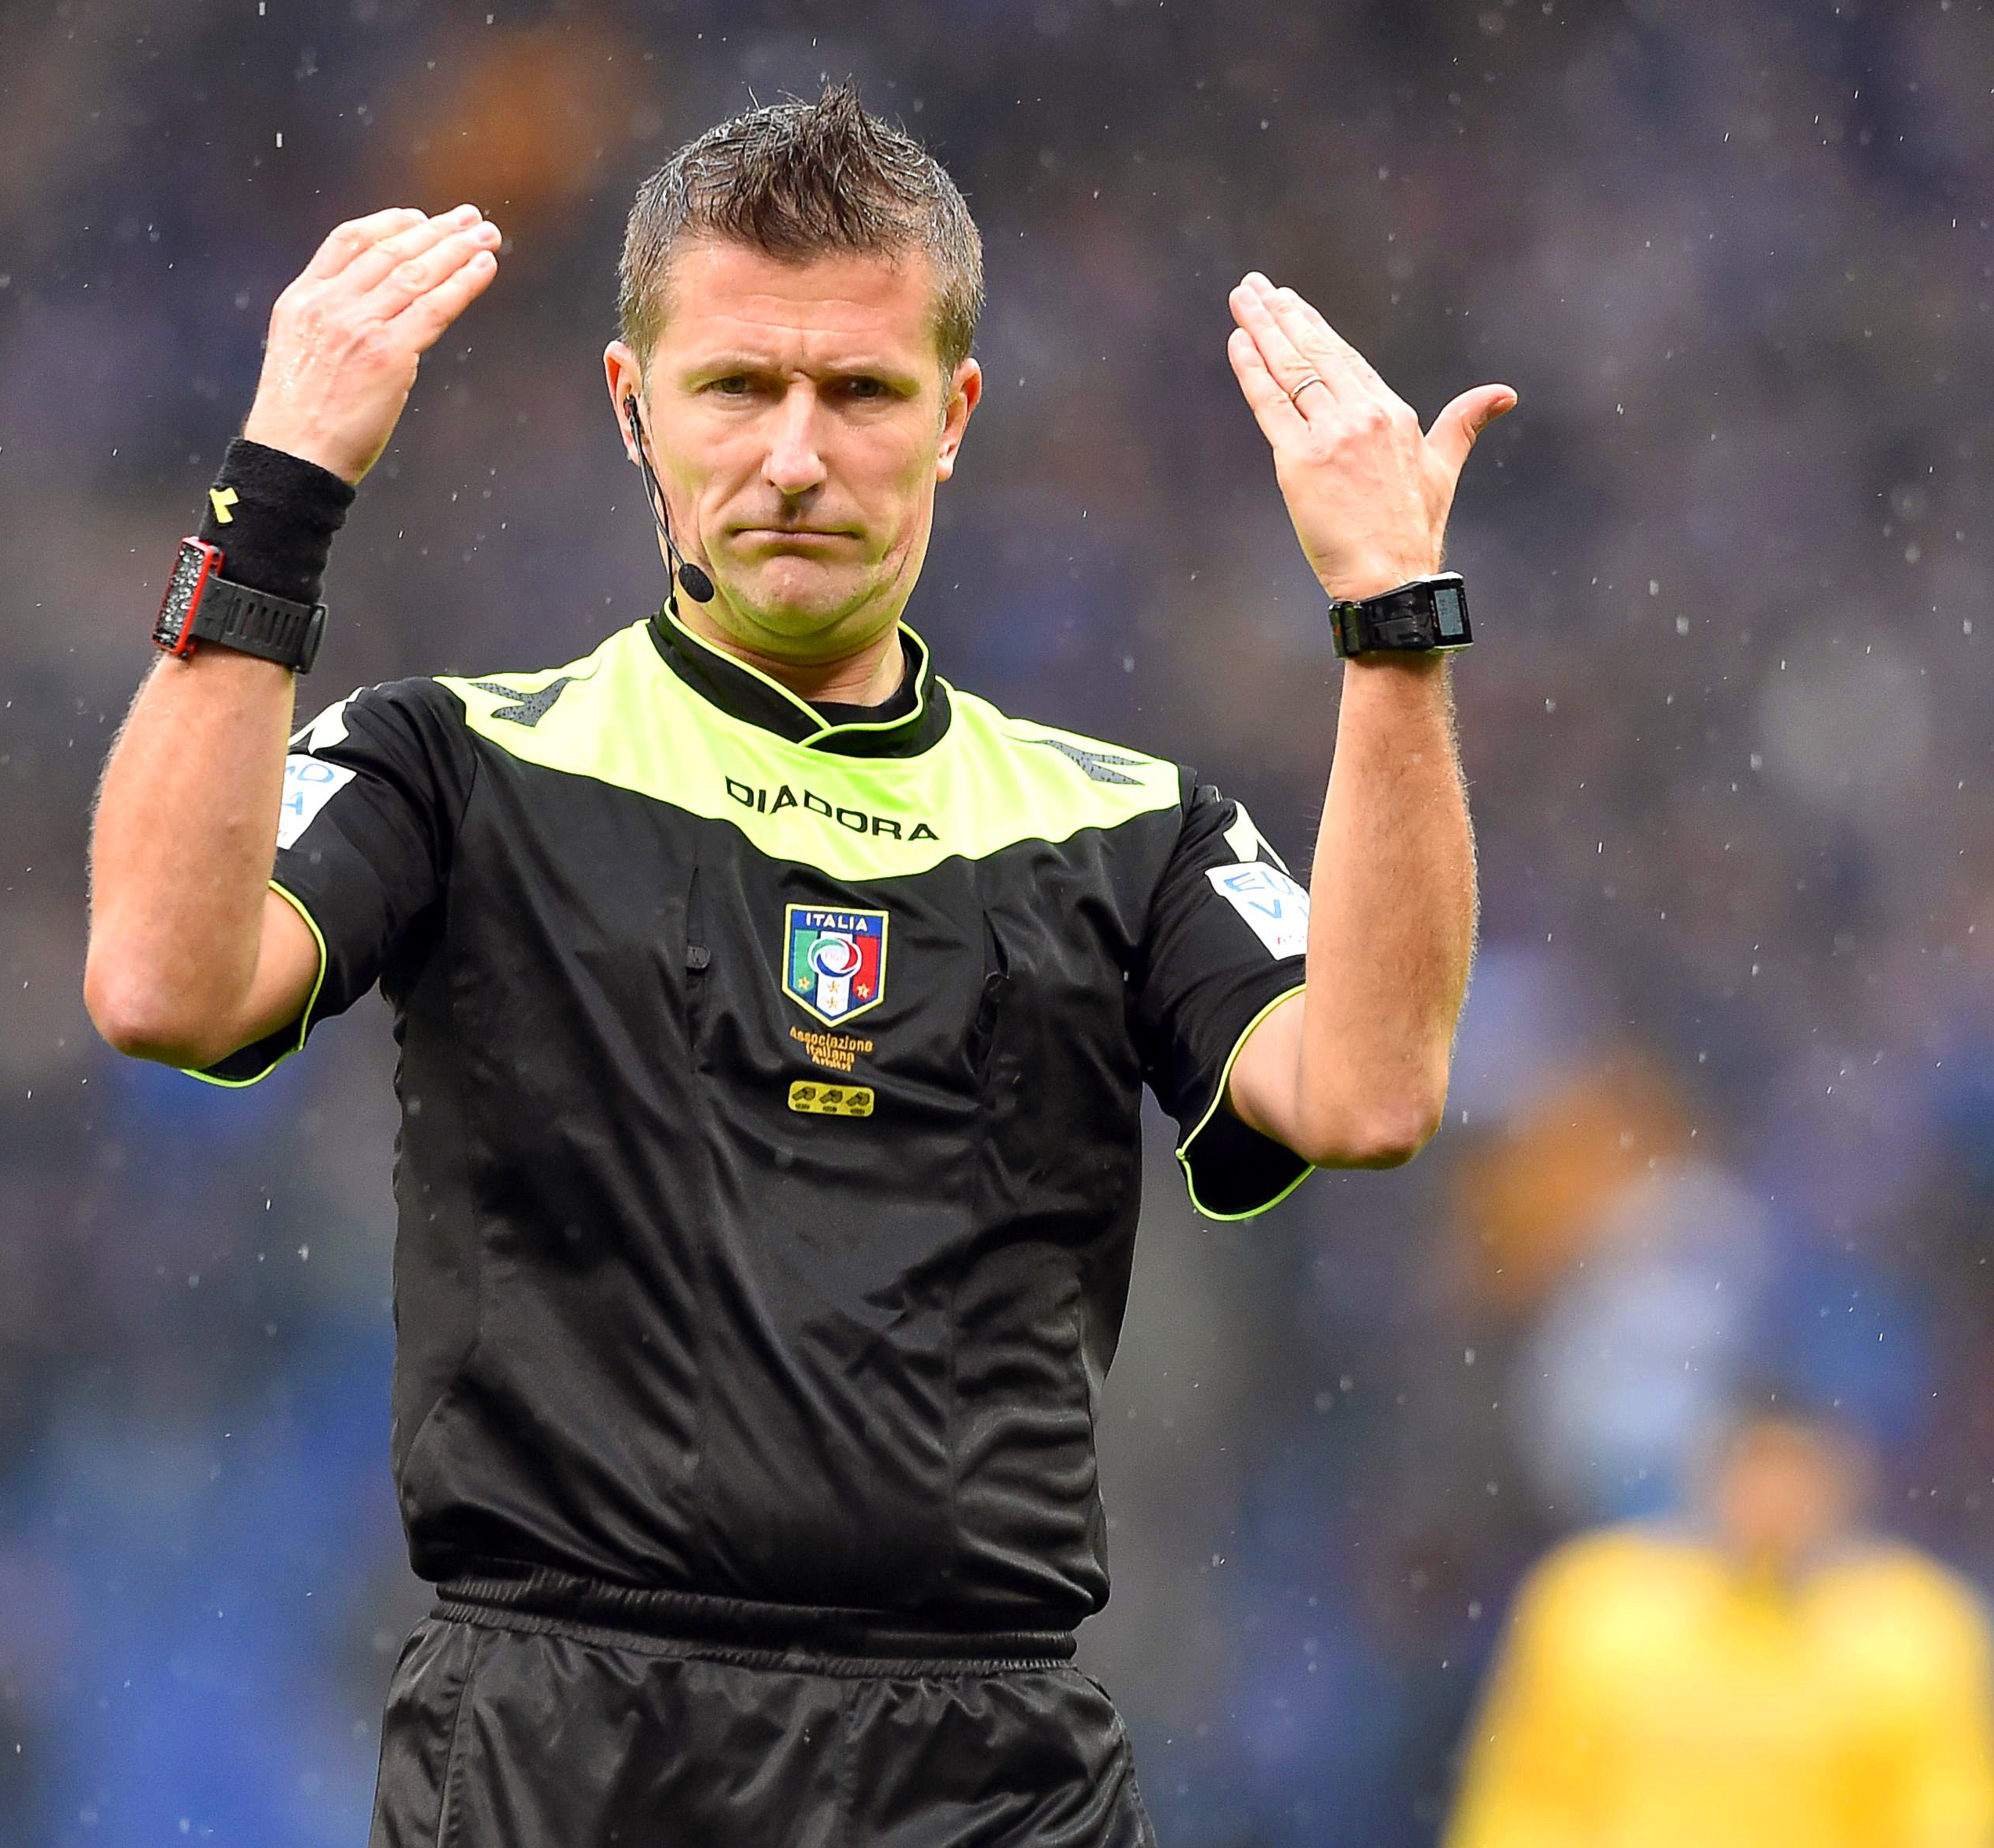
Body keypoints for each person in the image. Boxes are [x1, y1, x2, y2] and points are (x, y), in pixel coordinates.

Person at [85, 85, 1511, 1848]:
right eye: (737, 387)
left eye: (860, 392)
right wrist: (280, 500)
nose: (794, 457)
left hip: (982, 1773)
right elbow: (162, 980)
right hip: (553, 1752)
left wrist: (1392, 622)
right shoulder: (454, 763)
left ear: (954, 415)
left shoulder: (1131, 827)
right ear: (634, 406)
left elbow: (1369, 1087)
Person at [1445, 1394, 1994, 1848]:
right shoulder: (1599, 1606)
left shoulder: (1913, 1629)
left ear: (1843, 1488)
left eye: (1797, 1478)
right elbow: (1527, 1798)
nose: (1774, 1503)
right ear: (1709, 1478)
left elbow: (1946, 1816)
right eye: (1757, 1473)